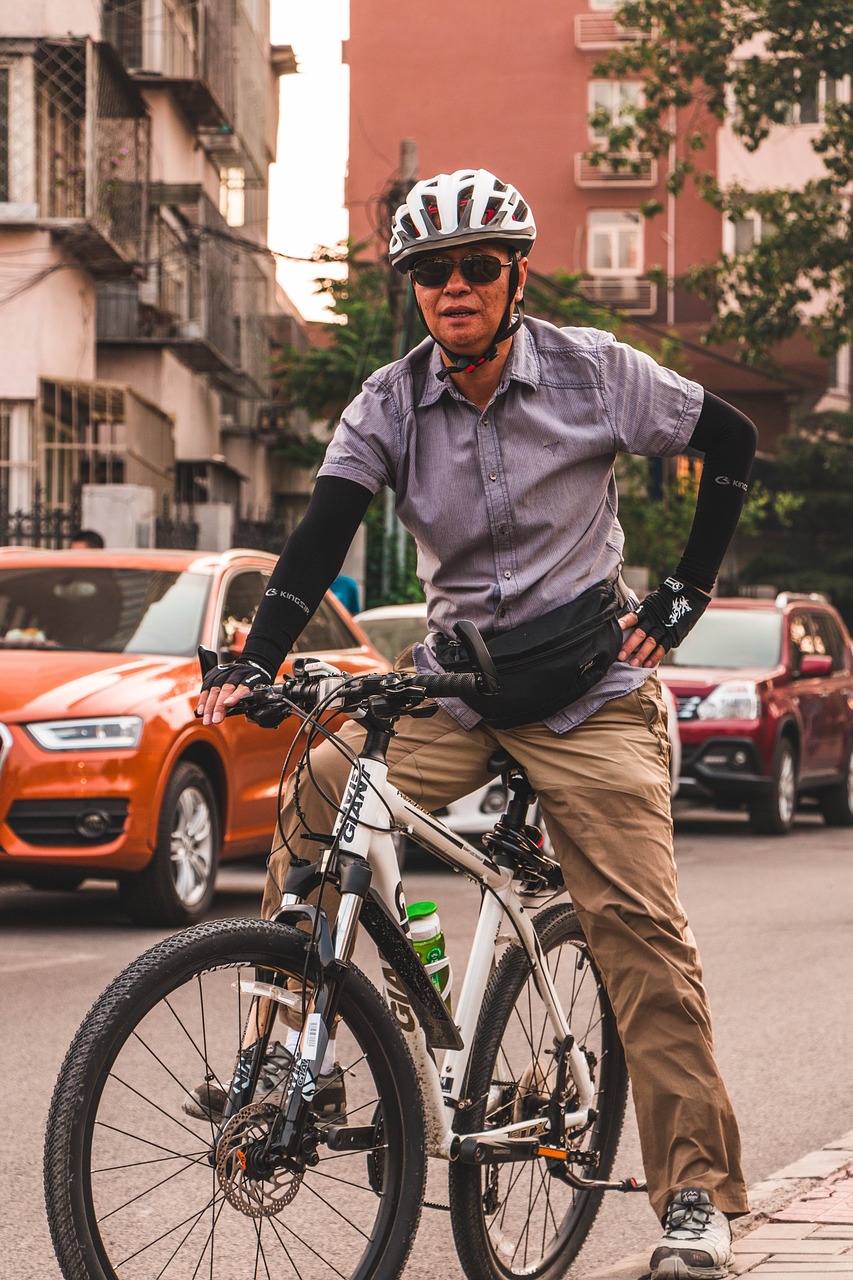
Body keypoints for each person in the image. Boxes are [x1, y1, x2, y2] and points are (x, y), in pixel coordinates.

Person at [197, 168, 756, 1279]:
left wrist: (683, 595)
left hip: (590, 693)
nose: (453, 286)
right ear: (413, 288)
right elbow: (321, 531)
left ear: (514, 276)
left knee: (639, 932)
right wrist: (257, 657)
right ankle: (290, 1063)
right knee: (319, 783)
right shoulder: (389, 401)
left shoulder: (593, 370)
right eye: (430, 272)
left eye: (475, 267)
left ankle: (694, 1196)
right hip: (457, 689)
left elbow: (731, 438)